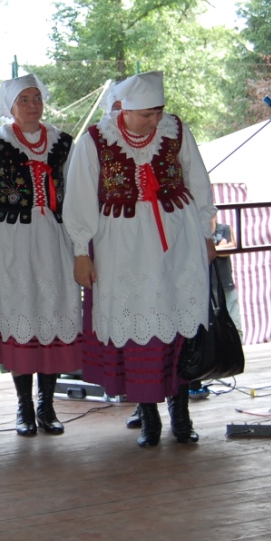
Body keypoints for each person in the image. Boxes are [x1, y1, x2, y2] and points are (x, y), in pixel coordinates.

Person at [64, 71, 216, 447]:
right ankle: (148, 416)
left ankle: (181, 414)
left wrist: (206, 234)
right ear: (124, 109)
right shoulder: (95, 140)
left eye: (158, 112)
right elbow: (79, 199)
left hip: (176, 243)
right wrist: (81, 252)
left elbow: (198, 181)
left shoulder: (175, 131)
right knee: (136, 327)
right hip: (123, 249)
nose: (155, 120)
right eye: (147, 114)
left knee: (179, 323)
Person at [0, 74, 81, 437]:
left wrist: (81, 248)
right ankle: (24, 406)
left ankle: (47, 405)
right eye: (24, 100)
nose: (33, 106)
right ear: (10, 106)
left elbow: (78, 198)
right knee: (20, 316)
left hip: (55, 245)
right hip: (11, 247)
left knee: (52, 314)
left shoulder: (63, 143)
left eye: (37, 98)